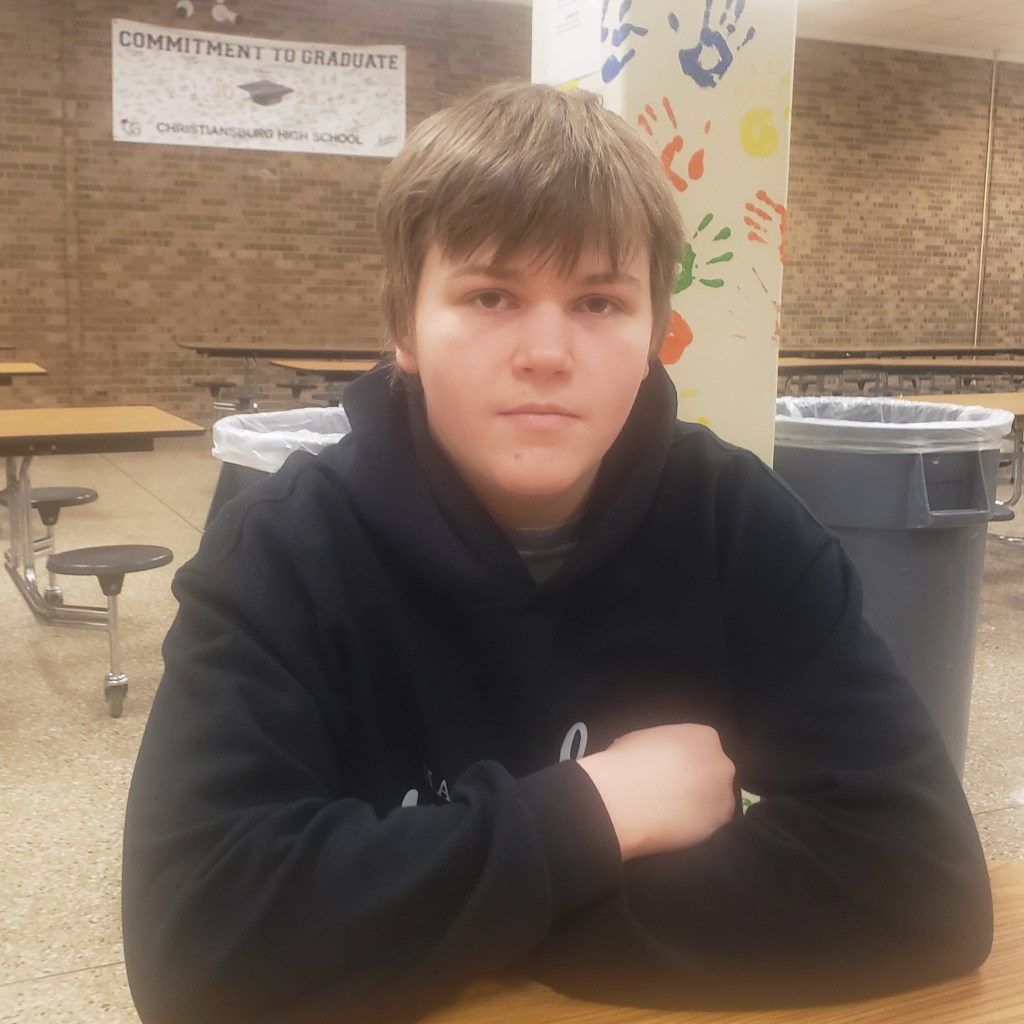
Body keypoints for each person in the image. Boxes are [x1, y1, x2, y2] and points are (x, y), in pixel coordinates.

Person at [122, 81, 992, 1024]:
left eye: (598, 301)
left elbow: (922, 880)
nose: (546, 352)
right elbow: (196, 950)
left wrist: (441, 922)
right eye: (491, 295)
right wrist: (592, 817)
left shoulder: (738, 525)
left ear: (655, 334)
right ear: (404, 327)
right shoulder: (284, 550)